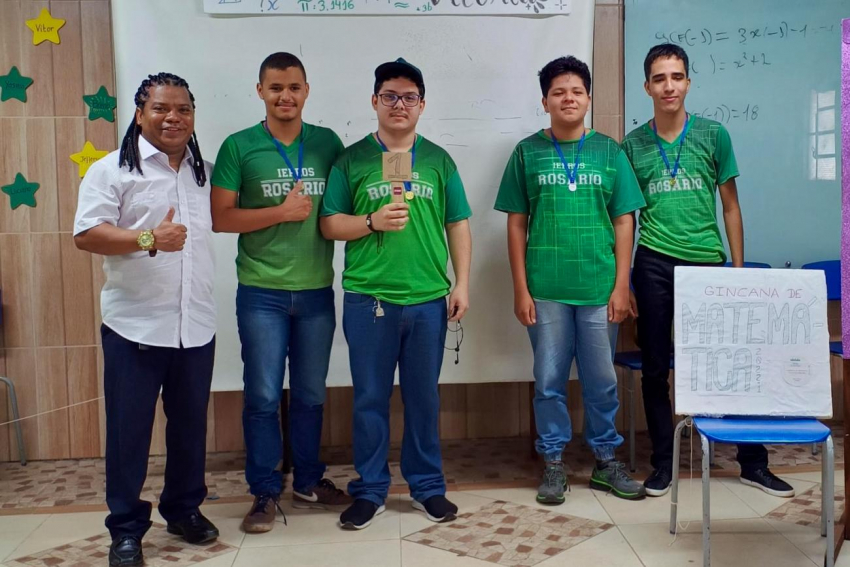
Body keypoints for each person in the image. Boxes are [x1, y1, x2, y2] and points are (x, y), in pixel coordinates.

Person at [622, 43, 795, 498]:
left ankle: (752, 463)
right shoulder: (632, 144)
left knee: (731, 365)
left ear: (688, 83)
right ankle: (663, 466)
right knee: (657, 367)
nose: (668, 86)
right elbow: (624, 219)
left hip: (707, 261)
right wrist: (626, 281)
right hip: (654, 261)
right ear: (647, 87)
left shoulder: (714, 135)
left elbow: (731, 207)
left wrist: (737, 271)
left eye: (676, 77)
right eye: (659, 78)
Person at [320, 58, 472, 530]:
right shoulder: (352, 159)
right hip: (370, 298)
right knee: (370, 397)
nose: (399, 104)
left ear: (422, 105)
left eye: (408, 97)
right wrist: (371, 222)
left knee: (424, 398)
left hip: (428, 298)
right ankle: (369, 490)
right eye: (390, 96)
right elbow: (329, 223)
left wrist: (461, 281)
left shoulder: (439, 160)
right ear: (374, 102)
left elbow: (458, 223)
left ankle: (427, 487)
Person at [73, 72, 219, 567]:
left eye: (183, 109)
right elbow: (87, 235)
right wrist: (147, 239)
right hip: (134, 327)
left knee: (189, 429)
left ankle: (183, 510)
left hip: (195, 325)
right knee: (129, 433)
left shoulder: (204, 172)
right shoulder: (112, 170)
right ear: (140, 114)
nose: (173, 117)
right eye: (161, 108)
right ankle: (127, 529)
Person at [495, 56, 647, 505]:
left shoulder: (609, 151)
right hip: (545, 291)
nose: (568, 98)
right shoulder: (527, 151)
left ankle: (605, 462)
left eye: (576, 91)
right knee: (548, 380)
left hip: (600, 289)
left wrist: (623, 285)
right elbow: (516, 223)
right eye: (558, 92)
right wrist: (520, 289)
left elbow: (624, 220)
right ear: (545, 100)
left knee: (601, 380)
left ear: (589, 99)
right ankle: (555, 464)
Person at [210, 52, 351, 534]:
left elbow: (347, 201)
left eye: (294, 87)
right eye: (275, 88)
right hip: (261, 293)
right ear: (260, 92)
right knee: (264, 395)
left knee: (311, 394)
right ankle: (265, 492)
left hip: (315, 292)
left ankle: (309, 481)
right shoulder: (239, 146)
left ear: (307, 90)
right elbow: (221, 218)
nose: (285, 96)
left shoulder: (328, 144)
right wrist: (280, 213)